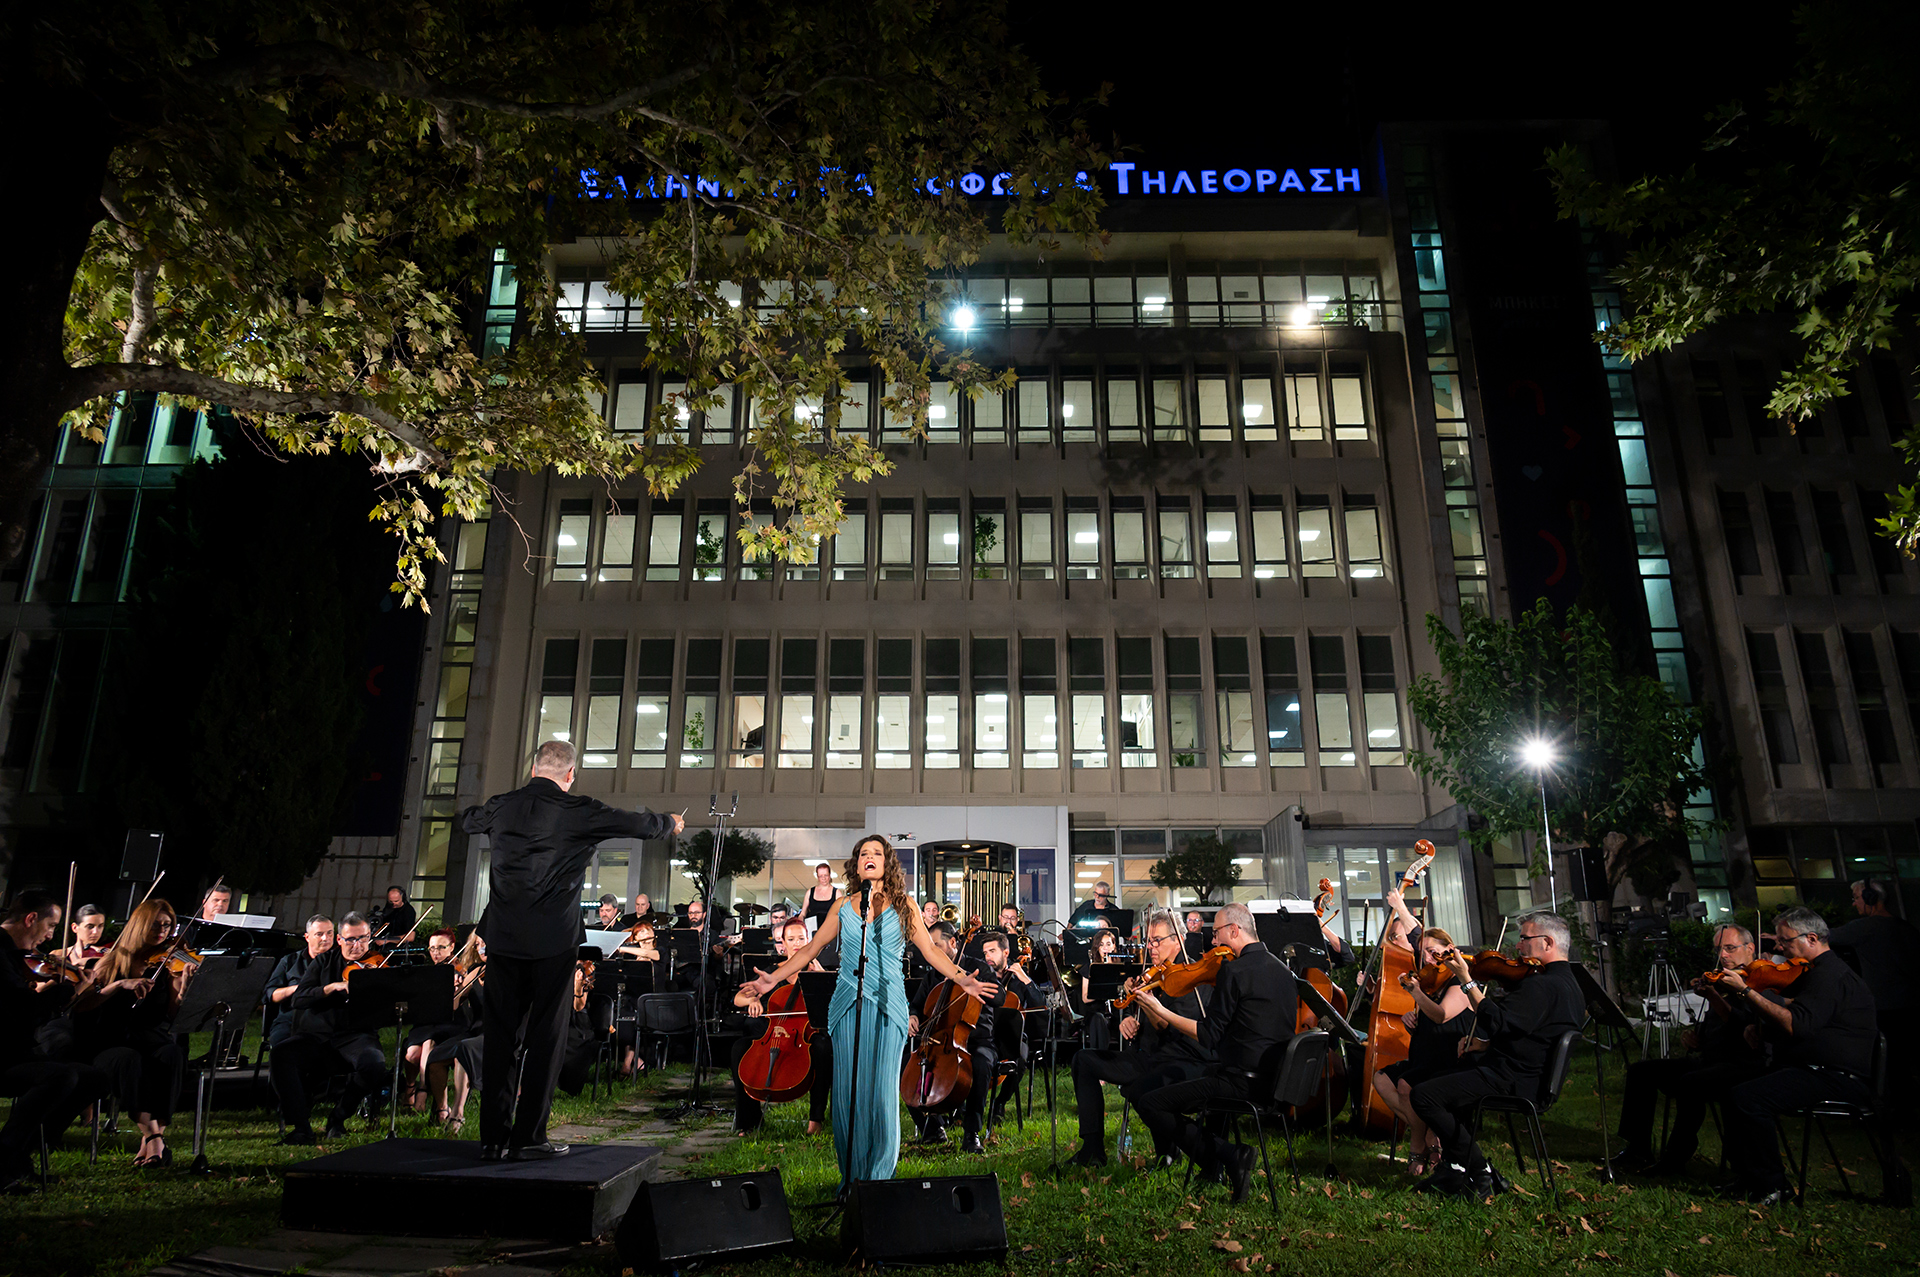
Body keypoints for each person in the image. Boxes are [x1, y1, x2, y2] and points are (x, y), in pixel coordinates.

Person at [460, 738, 683, 1161]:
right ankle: (528, 1139)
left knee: (500, 1037)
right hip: (552, 943)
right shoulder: (579, 810)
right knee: (546, 1037)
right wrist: (669, 822)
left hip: (504, 940)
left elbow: (467, 819)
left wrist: (488, 817)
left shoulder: (502, 806)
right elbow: (637, 824)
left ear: (533, 770)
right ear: (570, 774)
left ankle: (491, 1139)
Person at [743, 835, 991, 1191]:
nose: (868, 858)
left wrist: (962, 977)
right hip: (847, 1003)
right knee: (848, 1093)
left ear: (887, 863)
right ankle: (852, 1178)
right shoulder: (844, 906)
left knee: (880, 1093)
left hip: (889, 1003)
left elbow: (931, 953)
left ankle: (877, 1180)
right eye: (863, 854)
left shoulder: (905, 904)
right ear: (856, 864)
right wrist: (774, 979)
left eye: (876, 853)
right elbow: (811, 947)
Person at [1409, 911, 1585, 1199]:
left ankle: (1480, 1171)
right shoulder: (1569, 985)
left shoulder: (1541, 985)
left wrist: (1466, 979)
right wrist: (1484, 1045)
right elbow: (1532, 1034)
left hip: (1514, 1078)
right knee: (1443, 1080)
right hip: (1529, 1073)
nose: (1518, 947)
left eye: (1525, 939)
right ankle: (1454, 1168)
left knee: (1424, 1095)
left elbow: (1498, 1021)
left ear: (1548, 943)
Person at [1128, 903, 1296, 1201]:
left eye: (1216, 932)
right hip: (1276, 1081)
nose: (1213, 942)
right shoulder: (1283, 970)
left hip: (1241, 1081)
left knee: (1150, 1101)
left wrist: (1159, 1009)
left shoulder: (1234, 971)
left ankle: (1230, 1155)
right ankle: (1217, 1164)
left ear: (1235, 929)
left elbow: (1207, 1036)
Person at [1716, 906, 1881, 1204]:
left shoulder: (1829, 975)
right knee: (1732, 1088)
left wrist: (1745, 992)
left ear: (1812, 939)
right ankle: (1748, 1176)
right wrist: (1761, 1028)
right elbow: (1796, 1015)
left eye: (1785, 942)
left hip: (1834, 1076)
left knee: (1749, 1097)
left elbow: (1796, 1024)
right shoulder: (1815, 973)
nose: (1778, 948)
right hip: (1813, 1068)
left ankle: (1774, 1187)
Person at [1608, 922, 1765, 1176]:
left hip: (1741, 1065)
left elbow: (1745, 1029)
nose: (1723, 955)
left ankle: (1675, 1157)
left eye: (1730, 948)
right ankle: (1637, 1148)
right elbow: (1715, 1025)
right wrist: (1694, 1034)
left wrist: (1714, 996)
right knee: (1641, 1072)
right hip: (1708, 1058)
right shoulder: (1722, 981)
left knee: (1691, 1082)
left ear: (1750, 948)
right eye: (1718, 950)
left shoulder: (1757, 984)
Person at [1069, 908, 1216, 1166]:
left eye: (1156, 941)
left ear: (1178, 937)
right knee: (1084, 1059)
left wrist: (1146, 1003)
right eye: (1148, 941)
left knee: (1140, 1088)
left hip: (1174, 1061)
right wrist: (1129, 1018)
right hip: (1145, 1055)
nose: (1150, 947)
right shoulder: (1155, 972)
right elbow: (1146, 1022)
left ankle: (1169, 1152)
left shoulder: (1193, 975)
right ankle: (1092, 1148)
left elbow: (1167, 1028)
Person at [67, 899, 191, 1167]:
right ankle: (154, 1139)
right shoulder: (110, 960)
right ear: (139, 925)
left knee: (172, 1053)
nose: (162, 931)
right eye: (155, 924)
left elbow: (172, 1015)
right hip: (107, 1042)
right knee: (128, 1061)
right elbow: (81, 1006)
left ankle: (152, 1141)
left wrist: (182, 991)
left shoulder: (169, 961)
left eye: (167, 925)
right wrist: (119, 985)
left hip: (148, 1039)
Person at [0, 890, 110, 1192]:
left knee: (95, 1080)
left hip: (19, 1051)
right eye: (50, 926)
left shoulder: (15, 956)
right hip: (4, 1056)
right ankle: (5, 1157)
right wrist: (67, 991)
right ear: (31, 919)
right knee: (60, 1077)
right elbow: (24, 1010)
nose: (50, 937)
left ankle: (20, 1154)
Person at [270, 912, 389, 1144]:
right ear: (339, 940)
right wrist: (329, 988)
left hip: (356, 1036)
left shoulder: (378, 965)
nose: (358, 946)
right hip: (318, 1036)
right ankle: (302, 1127)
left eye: (363, 939)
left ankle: (338, 1117)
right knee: (281, 1055)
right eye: (351, 940)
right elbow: (299, 999)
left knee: (374, 1064)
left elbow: (388, 1009)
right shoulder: (322, 962)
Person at [1370, 925, 1473, 1175]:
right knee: (1381, 1079)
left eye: (1431, 951)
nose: (1426, 958)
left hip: (1448, 1059)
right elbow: (1427, 1023)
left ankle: (1418, 1143)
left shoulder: (1460, 984)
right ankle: (1430, 1133)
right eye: (1422, 953)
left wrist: (1415, 993)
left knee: (1406, 1085)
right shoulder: (1431, 984)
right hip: (1425, 1057)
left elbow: (1440, 1016)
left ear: (1449, 950)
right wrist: (1410, 1020)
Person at [731, 918, 832, 1136]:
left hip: (804, 1037)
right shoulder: (772, 972)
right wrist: (753, 1001)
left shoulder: (816, 970)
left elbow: (834, 1002)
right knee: (739, 1048)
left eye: (801, 939)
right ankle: (748, 1121)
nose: (797, 944)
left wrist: (821, 976)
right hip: (773, 1035)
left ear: (809, 941)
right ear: (782, 943)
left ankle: (816, 1119)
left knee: (823, 1047)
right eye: (791, 939)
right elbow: (738, 998)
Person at [955, 930, 1047, 1153]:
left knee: (1020, 1057)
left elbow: (1040, 1005)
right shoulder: (980, 976)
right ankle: (961, 1103)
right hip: (981, 1032)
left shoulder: (1017, 978)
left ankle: (999, 1103)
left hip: (1010, 1034)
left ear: (1006, 952)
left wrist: (1024, 978)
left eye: (993, 951)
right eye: (985, 951)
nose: (988, 956)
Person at [1828, 878, 1916, 1092]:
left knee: (1886, 1062)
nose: (1854, 903)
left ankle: (1888, 1107)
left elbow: (1824, 937)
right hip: (1911, 1005)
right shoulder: (1905, 927)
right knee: (1904, 1062)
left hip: (1885, 1009)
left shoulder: (1865, 927)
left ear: (1870, 898)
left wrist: (1786, 937)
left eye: (1857, 898)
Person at [401, 928, 465, 1114]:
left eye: (441, 948)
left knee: (429, 1042)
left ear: (452, 947)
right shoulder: (427, 972)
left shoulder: (460, 969)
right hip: (426, 1022)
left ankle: (422, 1090)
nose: (435, 953)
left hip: (449, 1022)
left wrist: (458, 987)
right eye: (431, 949)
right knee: (412, 1054)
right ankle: (410, 1087)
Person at [265, 916, 335, 1049]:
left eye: (329, 933)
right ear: (307, 937)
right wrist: (297, 989)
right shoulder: (289, 961)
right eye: (319, 934)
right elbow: (271, 994)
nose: (325, 938)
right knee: (282, 1047)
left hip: (327, 1020)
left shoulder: (341, 961)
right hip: (291, 1019)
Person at [1079, 928, 1124, 1049]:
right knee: (1099, 1020)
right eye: (1101, 945)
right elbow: (1085, 998)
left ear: (1114, 946)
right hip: (1096, 1011)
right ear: (1097, 947)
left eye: (1109, 944)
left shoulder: (1120, 966)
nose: (1105, 948)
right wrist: (1102, 992)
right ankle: (1099, 1058)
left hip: (1116, 1010)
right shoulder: (1089, 967)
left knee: (1125, 1018)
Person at [62, 905, 108, 972]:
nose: (95, 932)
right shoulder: (60, 954)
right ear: (74, 928)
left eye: (100, 926)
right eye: (90, 927)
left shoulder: (106, 954)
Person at [801, 862, 838, 933]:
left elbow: (841, 914)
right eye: (821, 876)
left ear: (830, 875)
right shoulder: (810, 892)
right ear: (817, 876)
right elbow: (803, 913)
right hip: (812, 930)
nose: (823, 878)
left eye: (826, 875)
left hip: (830, 931)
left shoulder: (836, 893)